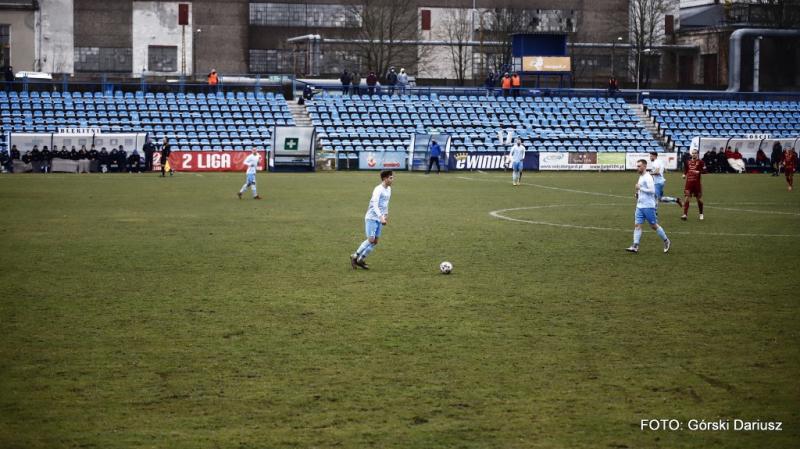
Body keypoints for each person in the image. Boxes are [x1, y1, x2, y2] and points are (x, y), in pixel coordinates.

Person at [625, 159, 671, 253]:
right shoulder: (641, 177)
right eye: (637, 166)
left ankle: (667, 241)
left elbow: (652, 190)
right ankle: (635, 246)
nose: (637, 168)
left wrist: (640, 188)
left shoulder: (648, 177)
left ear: (644, 167)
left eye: (639, 166)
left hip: (648, 206)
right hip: (640, 205)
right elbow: (643, 190)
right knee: (637, 225)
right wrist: (638, 194)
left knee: (653, 225)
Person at [350, 170, 393, 270]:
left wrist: (386, 213)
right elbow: (374, 205)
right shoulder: (378, 189)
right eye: (390, 178)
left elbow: (385, 202)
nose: (392, 179)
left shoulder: (389, 189)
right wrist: (381, 217)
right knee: (370, 239)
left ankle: (361, 260)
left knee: (375, 241)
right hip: (371, 218)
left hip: (379, 218)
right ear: (385, 179)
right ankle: (354, 256)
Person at [681, 149, 708, 221]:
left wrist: (698, 172)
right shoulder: (688, 162)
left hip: (697, 183)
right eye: (693, 153)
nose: (694, 154)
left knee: (699, 199)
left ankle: (701, 214)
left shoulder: (701, 162)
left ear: (697, 154)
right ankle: (685, 215)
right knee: (687, 199)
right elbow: (686, 169)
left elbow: (705, 171)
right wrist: (684, 174)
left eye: (695, 153)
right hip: (689, 183)